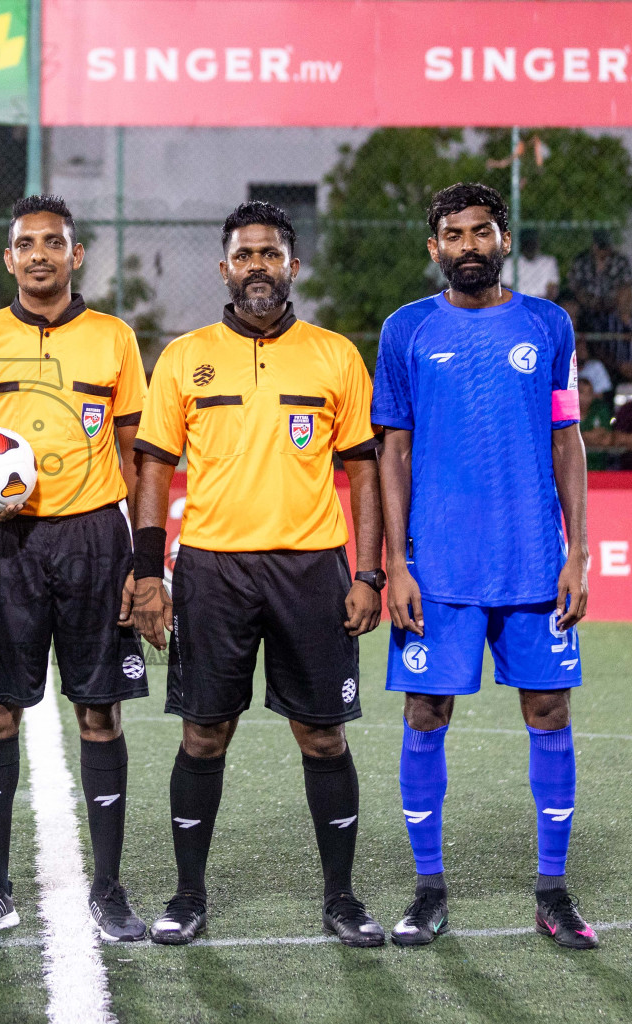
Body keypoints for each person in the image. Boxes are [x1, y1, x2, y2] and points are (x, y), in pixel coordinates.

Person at [128, 201, 386, 947]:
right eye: (245, 256)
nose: (258, 268)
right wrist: (149, 573)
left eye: (271, 254)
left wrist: (366, 571)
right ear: (225, 269)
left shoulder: (335, 355)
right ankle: (187, 896)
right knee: (205, 734)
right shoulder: (184, 357)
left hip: (312, 570)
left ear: (293, 266)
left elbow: (363, 473)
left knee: (324, 737)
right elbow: (153, 470)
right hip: (213, 569)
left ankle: (341, 898)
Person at [373, 182, 598, 951]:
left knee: (550, 715)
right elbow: (391, 450)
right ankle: (428, 888)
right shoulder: (404, 331)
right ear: (433, 247)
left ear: (504, 239)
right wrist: (396, 562)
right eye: (453, 234)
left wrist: (579, 551)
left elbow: (567, 439)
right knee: (426, 715)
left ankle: (553, 889)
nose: (469, 245)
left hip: (535, 565)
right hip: (437, 568)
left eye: (482, 231)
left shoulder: (548, 325)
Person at [0, 195, 151, 942]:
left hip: (94, 539)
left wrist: (143, 559)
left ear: (76, 254)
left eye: (53, 243)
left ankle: (111, 888)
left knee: (100, 711)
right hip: (4, 545)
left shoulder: (114, 340)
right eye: (25, 243)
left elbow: (135, 452)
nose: (39, 255)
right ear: (9, 259)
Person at [569, 230, 632, 328]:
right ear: (593, 246)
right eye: (600, 247)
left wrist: (613, 303)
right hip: (587, 304)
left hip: (613, 304)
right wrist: (590, 301)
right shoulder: (582, 261)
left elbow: (627, 286)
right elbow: (575, 287)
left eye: (605, 247)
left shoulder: (620, 261)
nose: (603, 251)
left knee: (624, 306)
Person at [501, 228, 559, 300]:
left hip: (542, 304)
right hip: (518, 304)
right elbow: (507, 290)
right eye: (527, 243)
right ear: (521, 245)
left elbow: (552, 290)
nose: (530, 246)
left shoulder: (549, 262)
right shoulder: (510, 262)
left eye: (533, 243)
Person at [578, 377, 614, 471]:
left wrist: (582, 437)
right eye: (581, 392)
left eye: (589, 393)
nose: (585, 397)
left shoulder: (600, 409)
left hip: (599, 468)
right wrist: (594, 437)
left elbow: (607, 440)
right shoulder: (566, 413)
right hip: (574, 468)